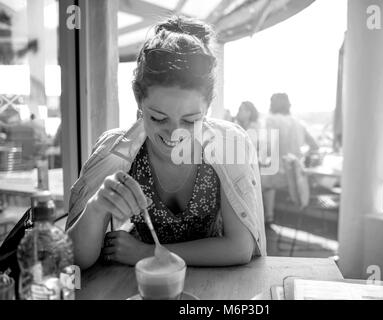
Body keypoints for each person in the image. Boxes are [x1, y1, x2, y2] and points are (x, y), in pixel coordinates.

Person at [66, 16, 266, 270]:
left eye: (190, 119)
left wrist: (148, 253)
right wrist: (96, 208)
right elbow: (72, 261)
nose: (174, 133)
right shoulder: (114, 151)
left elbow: (239, 248)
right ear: (139, 103)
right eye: (158, 118)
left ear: (208, 107)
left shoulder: (229, 145)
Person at [262, 93, 319, 224]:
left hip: (281, 175)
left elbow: (270, 148)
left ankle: (261, 221)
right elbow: (315, 146)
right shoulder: (298, 122)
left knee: (253, 183)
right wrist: (301, 159)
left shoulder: (271, 120)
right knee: (265, 176)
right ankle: (268, 216)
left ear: (272, 104)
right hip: (297, 177)